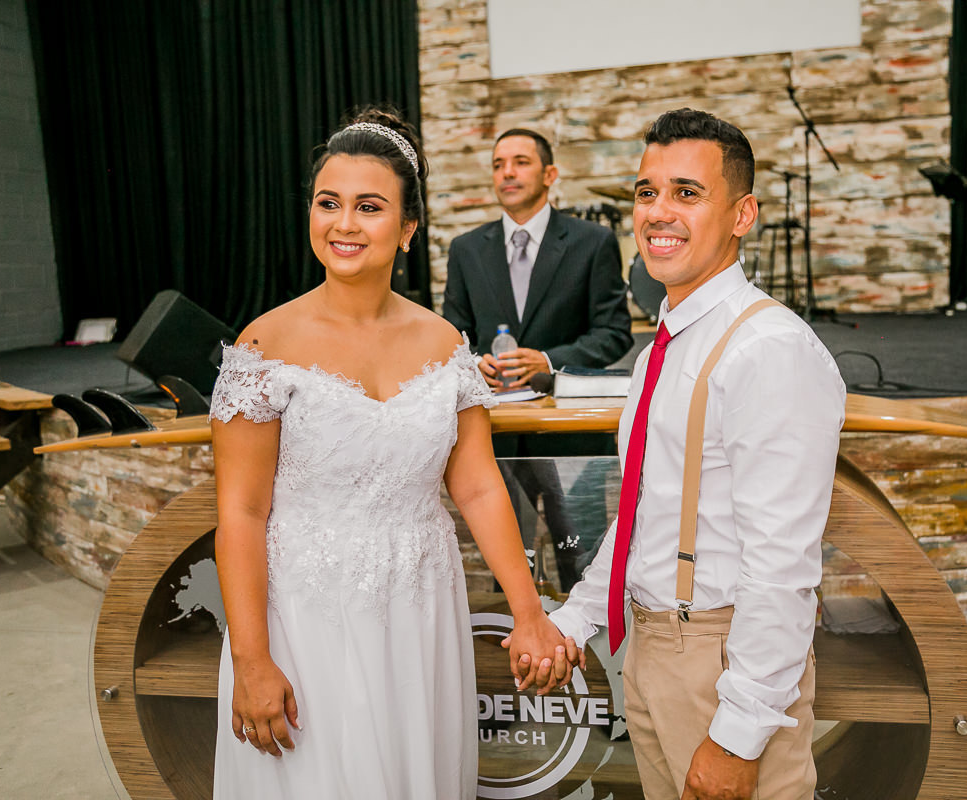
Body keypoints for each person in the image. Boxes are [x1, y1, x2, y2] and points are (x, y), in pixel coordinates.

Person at [208, 108, 580, 800]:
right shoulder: (263, 347)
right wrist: (251, 657)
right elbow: (241, 512)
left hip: (419, 619)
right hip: (304, 620)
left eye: (369, 207)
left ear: (407, 230)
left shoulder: (447, 347)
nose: (344, 224)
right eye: (329, 203)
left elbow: (476, 489)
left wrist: (529, 612)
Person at [546, 109, 846, 800]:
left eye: (687, 192)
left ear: (742, 215)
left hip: (721, 665)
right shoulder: (661, 348)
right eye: (646, 192)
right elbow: (646, 511)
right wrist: (579, 615)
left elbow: (782, 567)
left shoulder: (768, 350)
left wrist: (739, 734)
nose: (658, 212)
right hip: (650, 654)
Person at [442, 129, 634, 590]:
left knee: (581, 557)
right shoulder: (467, 250)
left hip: (569, 431)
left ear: (550, 174)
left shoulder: (593, 242)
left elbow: (614, 333)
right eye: (498, 163)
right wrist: (473, 363)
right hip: (495, 433)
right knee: (510, 562)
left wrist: (549, 360)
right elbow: (453, 339)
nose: (507, 172)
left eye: (520, 161)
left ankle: (589, 651)